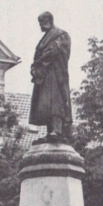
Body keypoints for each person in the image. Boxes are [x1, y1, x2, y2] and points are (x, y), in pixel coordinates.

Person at [29, 11, 73, 139]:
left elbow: (55, 52)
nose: (41, 26)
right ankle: (50, 132)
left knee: (55, 103)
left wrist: (40, 61)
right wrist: (34, 67)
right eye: (40, 23)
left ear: (49, 21)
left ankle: (57, 130)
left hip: (55, 73)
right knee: (45, 104)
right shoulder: (44, 38)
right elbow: (38, 56)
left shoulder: (61, 35)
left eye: (42, 23)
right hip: (43, 75)